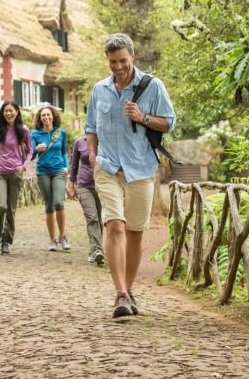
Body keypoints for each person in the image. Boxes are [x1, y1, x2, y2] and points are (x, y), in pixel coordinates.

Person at [85, 33, 176, 318]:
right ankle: (120, 293)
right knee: (115, 226)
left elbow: (168, 124)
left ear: (132, 57)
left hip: (140, 167)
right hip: (108, 167)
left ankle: (129, 288)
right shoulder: (100, 89)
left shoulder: (153, 86)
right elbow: (91, 127)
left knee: (135, 233)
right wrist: (92, 155)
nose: (118, 66)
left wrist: (142, 117)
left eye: (122, 60)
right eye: (113, 62)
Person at [0, 100, 31, 255]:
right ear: (2, 113)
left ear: (17, 112)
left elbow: (30, 151)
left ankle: (7, 241)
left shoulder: (23, 129)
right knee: (1, 206)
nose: (8, 113)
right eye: (6, 111)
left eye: (11, 110)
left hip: (15, 173)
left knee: (11, 209)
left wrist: (24, 165)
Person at [31, 106, 69, 251]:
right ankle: (52, 240)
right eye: (43, 116)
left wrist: (66, 167)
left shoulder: (61, 132)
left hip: (59, 171)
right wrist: (36, 149)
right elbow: (31, 154)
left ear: (53, 116)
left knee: (58, 203)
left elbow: (64, 151)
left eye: (48, 115)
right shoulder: (35, 134)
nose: (46, 118)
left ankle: (63, 236)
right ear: (40, 118)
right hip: (43, 172)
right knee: (48, 206)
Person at [67, 135, 104, 266]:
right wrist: (71, 184)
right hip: (84, 185)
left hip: (103, 185)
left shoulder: (106, 139)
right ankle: (98, 251)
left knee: (100, 219)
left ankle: (93, 250)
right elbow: (74, 165)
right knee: (92, 217)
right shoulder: (79, 142)